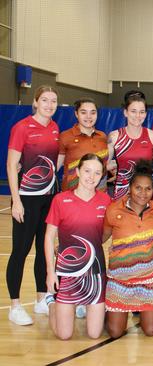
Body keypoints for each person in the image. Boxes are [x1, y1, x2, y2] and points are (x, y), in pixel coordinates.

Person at [7, 85, 60, 325]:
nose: (50, 105)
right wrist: (16, 201)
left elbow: (51, 162)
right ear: (36, 102)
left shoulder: (55, 128)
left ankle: (41, 300)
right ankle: (15, 305)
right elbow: (11, 165)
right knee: (20, 251)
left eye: (54, 101)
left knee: (43, 248)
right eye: (45, 100)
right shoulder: (22, 127)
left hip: (48, 198)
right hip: (26, 198)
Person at [44, 153, 111, 339]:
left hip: (95, 272)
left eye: (97, 173)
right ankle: (51, 302)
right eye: (87, 171)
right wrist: (51, 272)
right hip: (67, 272)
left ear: (102, 176)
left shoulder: (106, 201)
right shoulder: (60, 200)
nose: (92, 177)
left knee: (94, 334)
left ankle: (83, 304)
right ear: (78, 172)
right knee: (64, 335)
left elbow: (107, 233)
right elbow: (49, 238)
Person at [103, 160, 153, 338]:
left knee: (151, 330)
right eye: (138, 188)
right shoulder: (114, 210)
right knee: (115, 332)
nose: (143, 193)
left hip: (150, 280)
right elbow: (101, 237)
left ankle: (147, 312)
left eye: (148, 189)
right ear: (130, 188)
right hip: (119, 279)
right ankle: (105, 313)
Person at [107, 94, 153, 200]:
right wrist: (113, 168)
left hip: (145, 193)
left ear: (146, 114)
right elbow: (103, 165)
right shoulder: (114, 136)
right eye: (133, 111)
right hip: (122, 192)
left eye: (142, 112)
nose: (137, 115)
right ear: (125, 112)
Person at [58, 98, 108, 192]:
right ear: (76, 114)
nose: (88, 116)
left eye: (93, 113)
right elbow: (55, 166)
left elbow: (103, 165)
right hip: (72, 194)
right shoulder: (65, 136)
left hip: (99, 195)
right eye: (83, 112)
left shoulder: (103, 136)